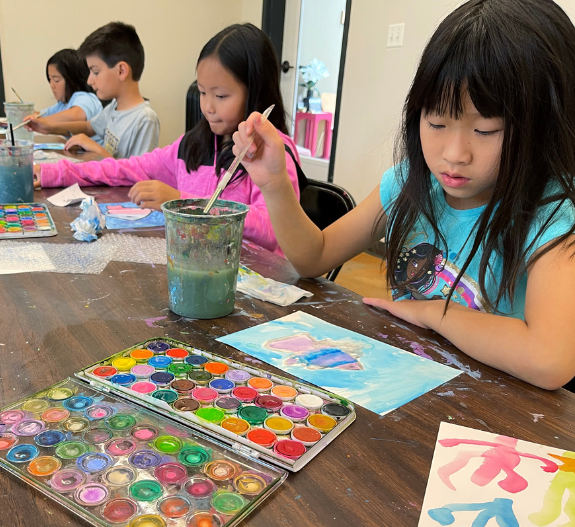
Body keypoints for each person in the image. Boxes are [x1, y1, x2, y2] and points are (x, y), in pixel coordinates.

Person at [231, 0, 575, 390]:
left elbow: (550, 359)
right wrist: (274, 183)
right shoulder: (409, 183)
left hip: (492, 414)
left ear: (545, 124)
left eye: (486, 130)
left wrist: (433, 313)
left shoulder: (553, 213)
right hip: (403, 383)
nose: (454, 154)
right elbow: (315, 256)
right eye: (437, 122)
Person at [34, 23, 301, 254]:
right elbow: (125, 168)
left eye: (220, 96)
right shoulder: (192, 144)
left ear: (255, 91)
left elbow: (273, 231)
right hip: (195, 267)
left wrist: (182, 204)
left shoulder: (274, 154)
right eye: (202, 92)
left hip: (252, 287)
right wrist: (53, 173)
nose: (207, 107)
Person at [27, 22, 159, 159]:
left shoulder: (145, 120)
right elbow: (88, 127)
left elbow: (140, 176)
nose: (89, 81)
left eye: (95, 72)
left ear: (121, 71)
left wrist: (96, 149)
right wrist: (49, 128)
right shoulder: (115, 106)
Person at [37, 49, 103, 126]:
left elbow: (75, 116)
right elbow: (39, 115)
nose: (51, 85)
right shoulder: (61, 105)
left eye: (56, 80)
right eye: (50, 79)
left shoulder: (86, 97)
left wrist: (40, 121)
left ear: (72, 79)